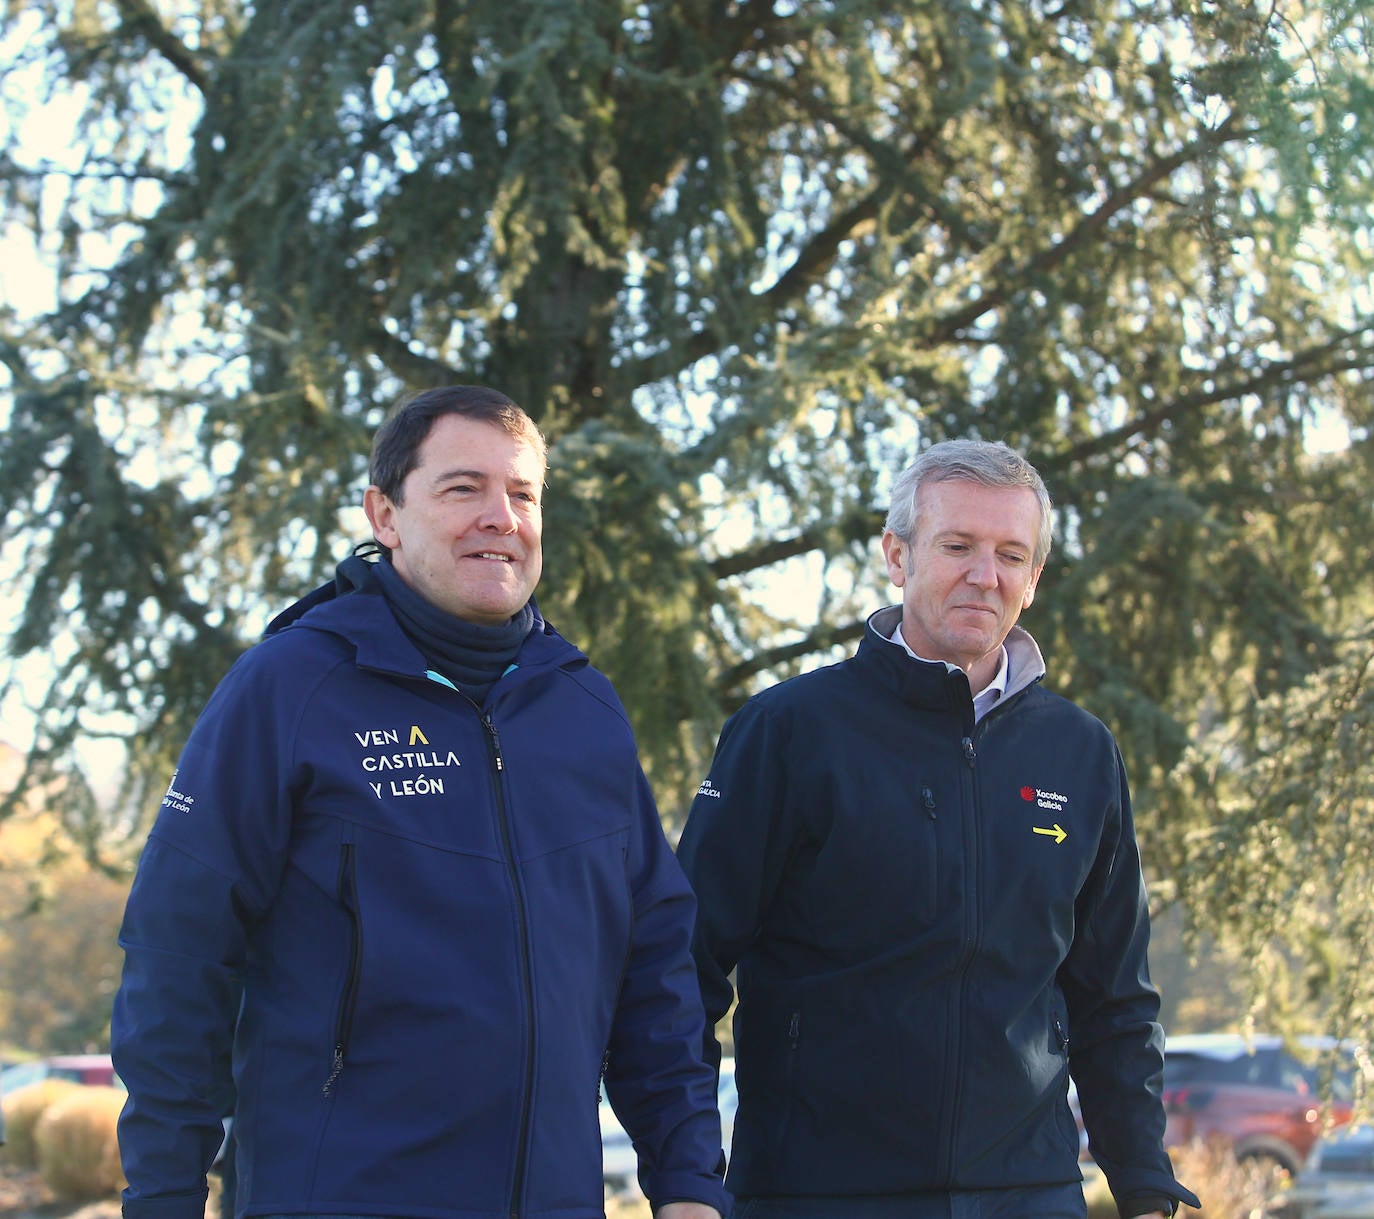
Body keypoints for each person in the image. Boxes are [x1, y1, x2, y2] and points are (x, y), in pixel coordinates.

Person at [112, 385, 729, 1219]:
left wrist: (688, 1182)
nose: (499, 516)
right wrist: (162, 1197)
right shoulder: (291, 687)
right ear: (385, 514)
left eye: (522, 493)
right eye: (461, 488)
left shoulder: (585, 712)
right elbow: (178, 955)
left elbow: (653, 967)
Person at [676, 439, 1200, 1219]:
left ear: (1033, 579)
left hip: (1031, 1194)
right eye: (957, 546)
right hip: (816, 1193)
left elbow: (1114, 997)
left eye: (1010, 554)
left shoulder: (1080, 751)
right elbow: (684, 967)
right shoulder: (789, 730)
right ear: (898, 554)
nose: (984, 575)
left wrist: (1146, 1185)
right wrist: (688, 1180)